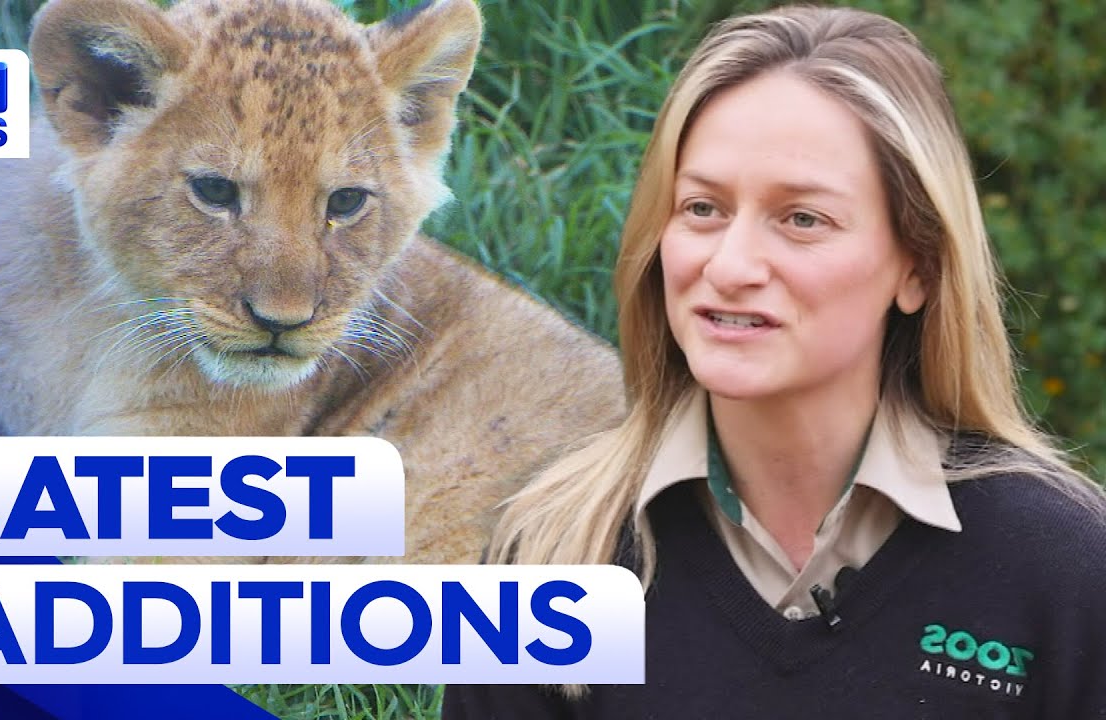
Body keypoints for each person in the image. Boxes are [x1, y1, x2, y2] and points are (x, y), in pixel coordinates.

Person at [442, 5, 1106, 718]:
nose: (730, 265)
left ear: (917, 267)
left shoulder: (1063, 568)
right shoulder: (550, 553)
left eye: (802, 219)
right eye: (702, 208)